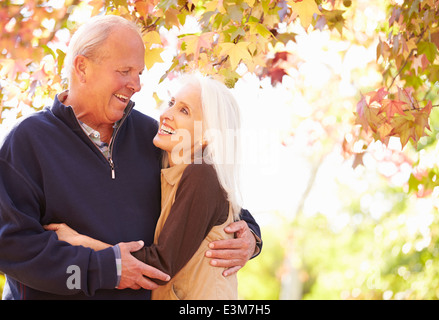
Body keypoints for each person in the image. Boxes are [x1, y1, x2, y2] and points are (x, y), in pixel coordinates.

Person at [0, 15, 261, 300]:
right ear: (82, 67)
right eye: (124, 71)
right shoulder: (28, 141)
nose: (136, 85)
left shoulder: (153, 136)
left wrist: (250, 235)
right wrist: (101, 268)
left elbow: (211, 193)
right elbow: (11, 247)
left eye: (139, 73)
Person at [46, 74, 247, 299]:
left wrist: (80, 242)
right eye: (171, 104)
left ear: (208, 136)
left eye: (184, 111)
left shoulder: (202, 174)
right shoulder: (172, 171)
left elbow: (159, 267)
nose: (166, 115)